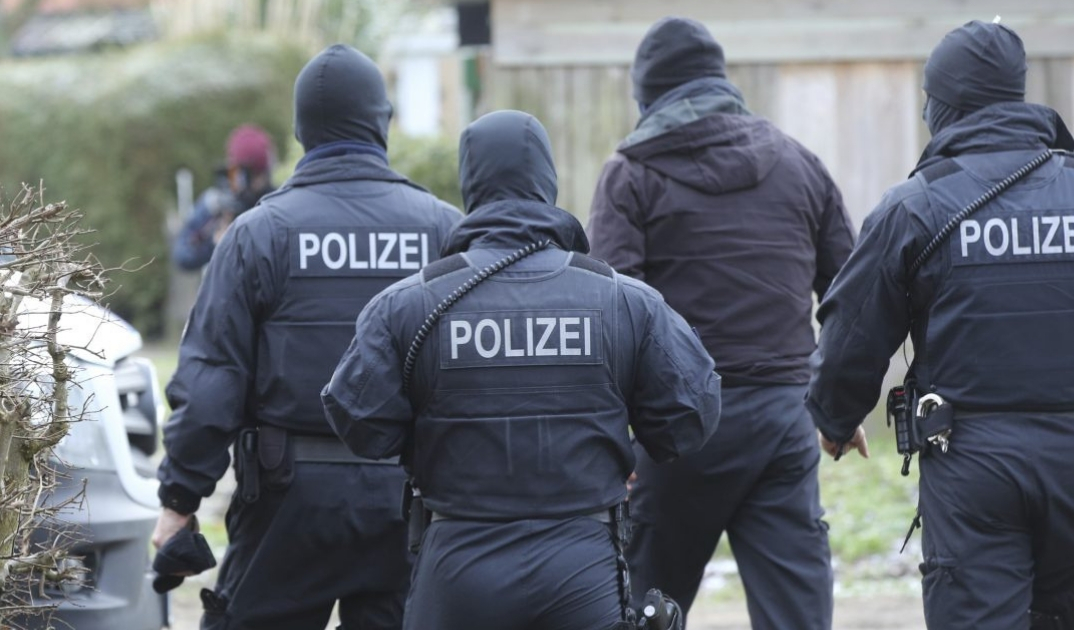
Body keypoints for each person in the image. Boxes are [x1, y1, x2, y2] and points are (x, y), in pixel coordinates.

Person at [806, 20, 1074, 630]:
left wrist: (833, 418)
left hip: (971, 472)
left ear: (943, 107)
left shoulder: (915, 206)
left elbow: (852, 332)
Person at [321, 109, 722, 630]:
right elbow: (691, 415)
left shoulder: (408, 304)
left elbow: (360, 424)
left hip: (457, 567)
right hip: (583, 569)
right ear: (547, 183)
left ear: (470, 184)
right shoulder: (625, 301)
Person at [153, 44, 462, 630]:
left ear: (300, 132)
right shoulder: (443, 230)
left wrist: (179, 501)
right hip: (410, 500)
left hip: (286, 503)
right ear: (382, 122)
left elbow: (212, 379)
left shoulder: (257, 235)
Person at [586, 16, 854, 630]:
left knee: (639, 612)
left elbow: (612, 317)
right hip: (783, 426)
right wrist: (839, 404)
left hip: (678, 435)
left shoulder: (630, 176)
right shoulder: (799, 164)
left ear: (647, 95)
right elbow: (853, 293)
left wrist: (610, 442)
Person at [172, 124, 277, 271]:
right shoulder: (216, 202)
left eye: (256, 174)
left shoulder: (275, 203)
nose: (252, 182)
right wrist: (215, 244)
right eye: (244, 173)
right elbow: (183, 256)